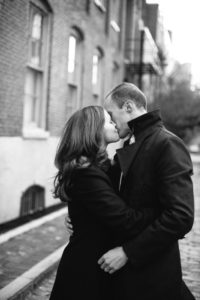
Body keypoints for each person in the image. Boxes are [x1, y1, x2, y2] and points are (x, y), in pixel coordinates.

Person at [49, 105, 159, 300]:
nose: (115, 124)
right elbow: (126, 220)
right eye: (109, 121)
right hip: (84, 274)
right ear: (94, 129)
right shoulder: (86, 174)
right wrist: (162, 211)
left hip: (98, 266)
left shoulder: (101, 166)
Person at [97, 82, 195, 300]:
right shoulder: (131, 141)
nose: (111, 122)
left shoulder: (167, 144)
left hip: (152, 275)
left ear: (129, 107)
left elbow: (181, 216)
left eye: (112, 115)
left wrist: (128, 252)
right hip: (125, 278)